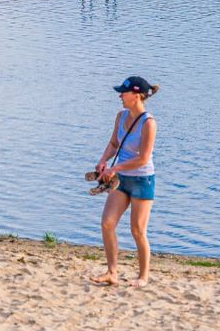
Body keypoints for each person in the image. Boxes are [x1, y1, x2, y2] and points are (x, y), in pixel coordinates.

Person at [90, 75, 160, 289]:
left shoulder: (148, 123)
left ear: (137, 95)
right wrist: (103, 161)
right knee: (107, 222)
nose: (120, 95)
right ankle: (112, 272)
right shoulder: (121, 117)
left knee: (138, 230)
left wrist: (114, 168)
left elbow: (143, 158)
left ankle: (143, 277)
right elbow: (113, 143)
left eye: (124, 92)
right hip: (121, 179)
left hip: (142, 179)